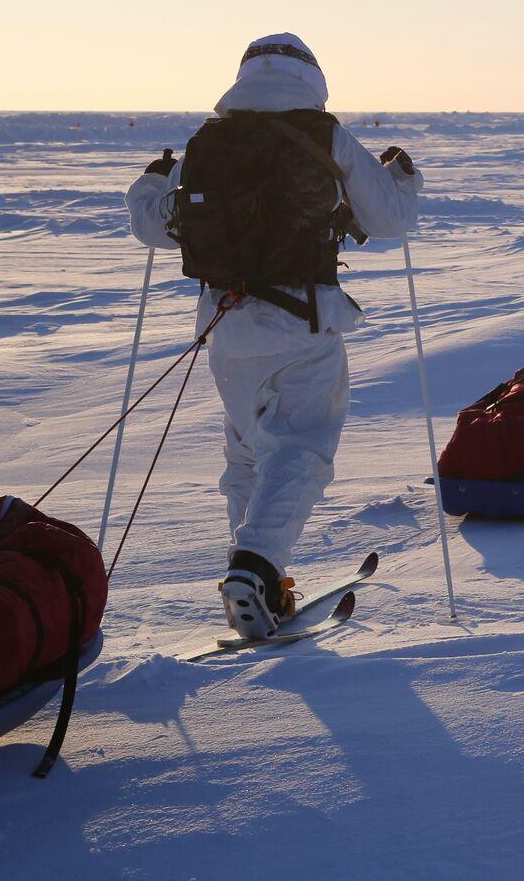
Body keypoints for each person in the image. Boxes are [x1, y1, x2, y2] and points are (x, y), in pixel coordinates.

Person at [125, 33, 421, 638]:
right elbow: (389, 219)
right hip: (301, 321)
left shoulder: (209, 142)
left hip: (224, 327)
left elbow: (153, 226)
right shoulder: (325, 135)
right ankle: (256, 567)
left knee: (249, 454)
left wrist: (152, 182)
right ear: (312, 78)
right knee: (301, 450)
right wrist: (404, 179)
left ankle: (261, 582)